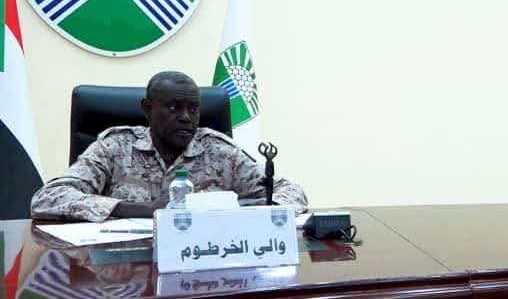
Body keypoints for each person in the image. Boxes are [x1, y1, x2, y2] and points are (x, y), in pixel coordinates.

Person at [31, 71, 307, 222]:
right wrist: (137, 209)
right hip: (127, 270)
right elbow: (47, 198)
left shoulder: (219, 151)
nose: (186, 117)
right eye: (174, 107)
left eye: (193, 109)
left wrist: (236, 211)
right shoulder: (114, 147)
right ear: (147, 109)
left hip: (202, 269)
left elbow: (290, 193)